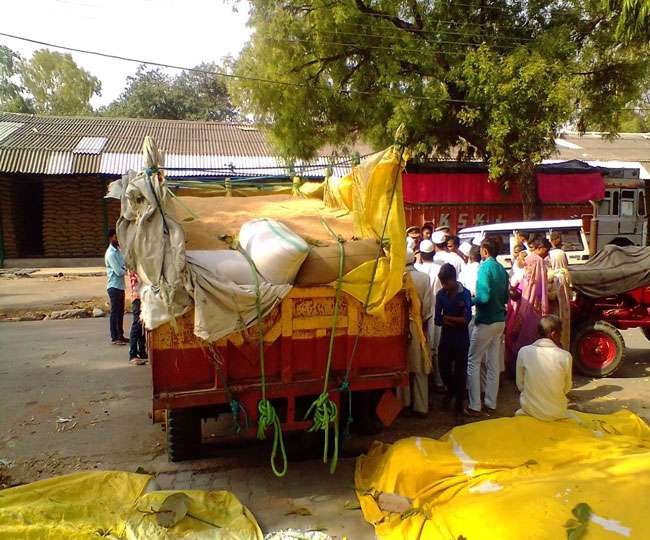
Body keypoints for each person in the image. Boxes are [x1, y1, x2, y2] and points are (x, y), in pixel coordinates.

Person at [466, 238, 509, 416]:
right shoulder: (501, 269)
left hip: (486, 320)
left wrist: (469, 300)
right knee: (493, 364)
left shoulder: (485, 268)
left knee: (473, 362)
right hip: (499, 320)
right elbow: (506, 297)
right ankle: (491, 403)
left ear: (484, 251)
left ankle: (475, 405)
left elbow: (483, 298)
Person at [516, 315, 572, 421]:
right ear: (553, 334)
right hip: (557, 412)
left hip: (530, 410)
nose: (561, 336)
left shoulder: (523, 351)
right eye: (560, 333)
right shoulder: (565, 356)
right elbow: (567, 387)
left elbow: (520, 385)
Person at [399, 248, 433, 415]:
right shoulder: (424, 278)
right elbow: (427, 307)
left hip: (399, 328)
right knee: (420, 367)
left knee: (402, 366)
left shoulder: (396, 279)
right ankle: (421, 406)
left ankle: (403, 404)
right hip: (419, 326)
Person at [435, 264, 472, 414]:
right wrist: (456, 319)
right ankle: (452, 391)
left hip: (461, 340)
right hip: (447, 339)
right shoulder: (440, 294)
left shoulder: (465, 294)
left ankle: (458, 403)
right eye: (442, 283)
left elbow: (466, 320)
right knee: (443, 368)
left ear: (453, 279)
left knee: (460, 371)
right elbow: (437, 319)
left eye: (446, 282)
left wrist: (447, 318)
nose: (444, 286)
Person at [509, 238, 552, 364]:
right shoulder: (535, 260)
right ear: (540, 248)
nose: (547, 253)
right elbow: (531, 283)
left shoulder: (533, 260)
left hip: (526, 301)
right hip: (531, 303)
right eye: (546, 250)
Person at [414, 239, 445, 389]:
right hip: (435, 310)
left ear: (420, 254)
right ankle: (438, 381)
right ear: (433, 252)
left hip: (418, 313)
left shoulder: (416, 270)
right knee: (436, 349)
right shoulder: (439, 269)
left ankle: (429, 381)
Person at [547, 232, 571, 350]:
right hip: (563, 284)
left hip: (553, 284)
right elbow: (566, 266)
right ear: (555, 240)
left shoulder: (549, 254)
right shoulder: (561, 253)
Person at [105, 228, 127, 345]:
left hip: (120, 286)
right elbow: (119, 271)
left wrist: (124, 268)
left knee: (120, 312)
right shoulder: (111, 254)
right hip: (114, 286)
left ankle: (120, 335)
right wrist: (126, 269)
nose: (118, 239)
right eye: (116, 237)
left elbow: (124, 264)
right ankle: (115, 337)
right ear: (111, 238)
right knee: (115, 313)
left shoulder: (118, 251)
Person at [128, 270, 147, 365]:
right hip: (138, 297)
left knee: (143, 325)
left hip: (144, 297)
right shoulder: (135, 265)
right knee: (137, 326)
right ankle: (133, 354)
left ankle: (142, 351)